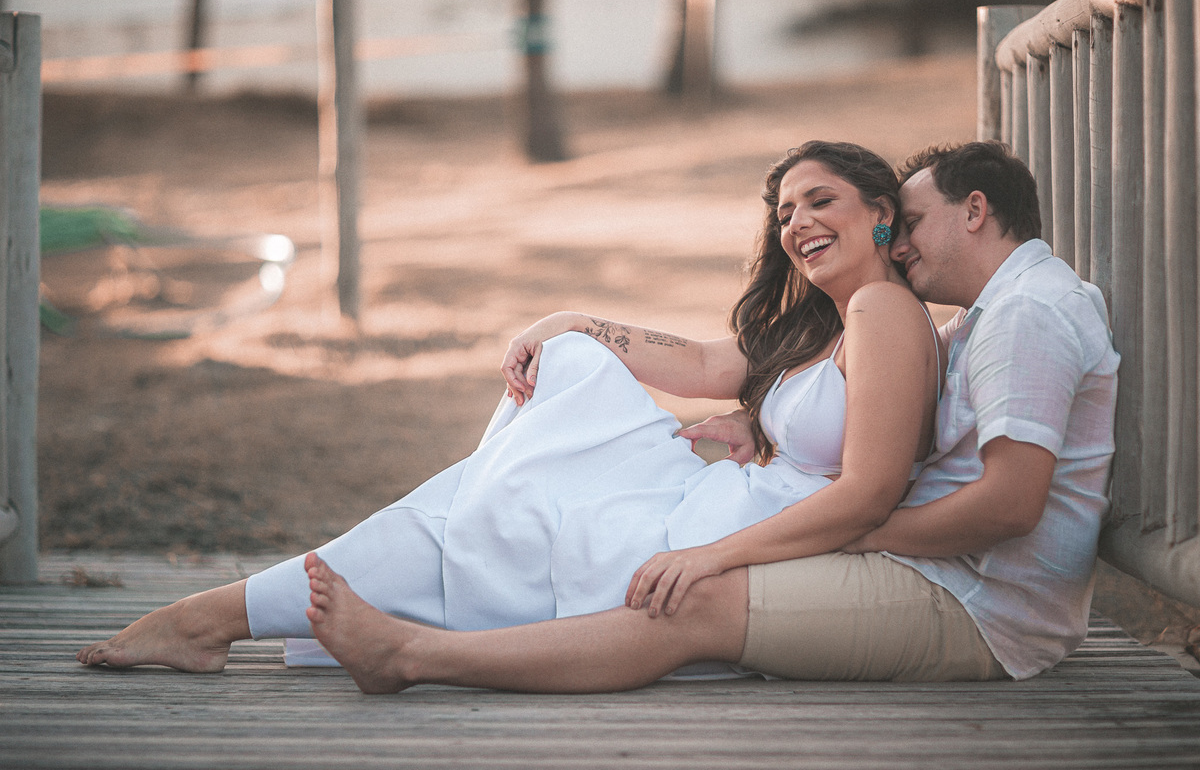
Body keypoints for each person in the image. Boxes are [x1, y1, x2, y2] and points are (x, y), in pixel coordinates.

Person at [76, 140, 944, 675]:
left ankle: (218, 618)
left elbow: (866, 490)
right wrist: (567, 322)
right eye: (786, 211)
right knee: (543, 420)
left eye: (819, 201)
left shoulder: (882, 311)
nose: (796, 224)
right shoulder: (819, 322)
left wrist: (717, 555)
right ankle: (222, 617)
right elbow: (705, 363)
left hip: (742, 530)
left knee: (503, 514)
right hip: (724, 500)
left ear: (880, 213)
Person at [293, 140, 1119, 693]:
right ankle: (421, 601)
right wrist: (758, 426)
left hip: (986, 611)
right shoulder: (980, 317)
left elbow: (1010, 505)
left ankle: (409, 653)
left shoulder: (1025, 315)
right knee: (629, 544)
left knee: (686, 600)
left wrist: (848, 532)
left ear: (975, 211)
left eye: (910, 223)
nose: (900, 245)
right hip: (940, 570)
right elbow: (854, 410)